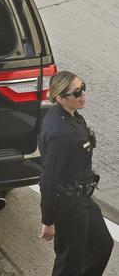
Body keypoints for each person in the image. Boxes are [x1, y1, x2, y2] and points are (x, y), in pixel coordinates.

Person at [39, 70, 114, 275]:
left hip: (82, 199)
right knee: (69, 264)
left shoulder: (69, 115)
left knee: (101, 246)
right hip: (69, 206)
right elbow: (48, 178)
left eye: (83, 88)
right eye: (77, 92)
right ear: (60, 98)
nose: (83, 95)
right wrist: (48, 220)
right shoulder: (60, 133)